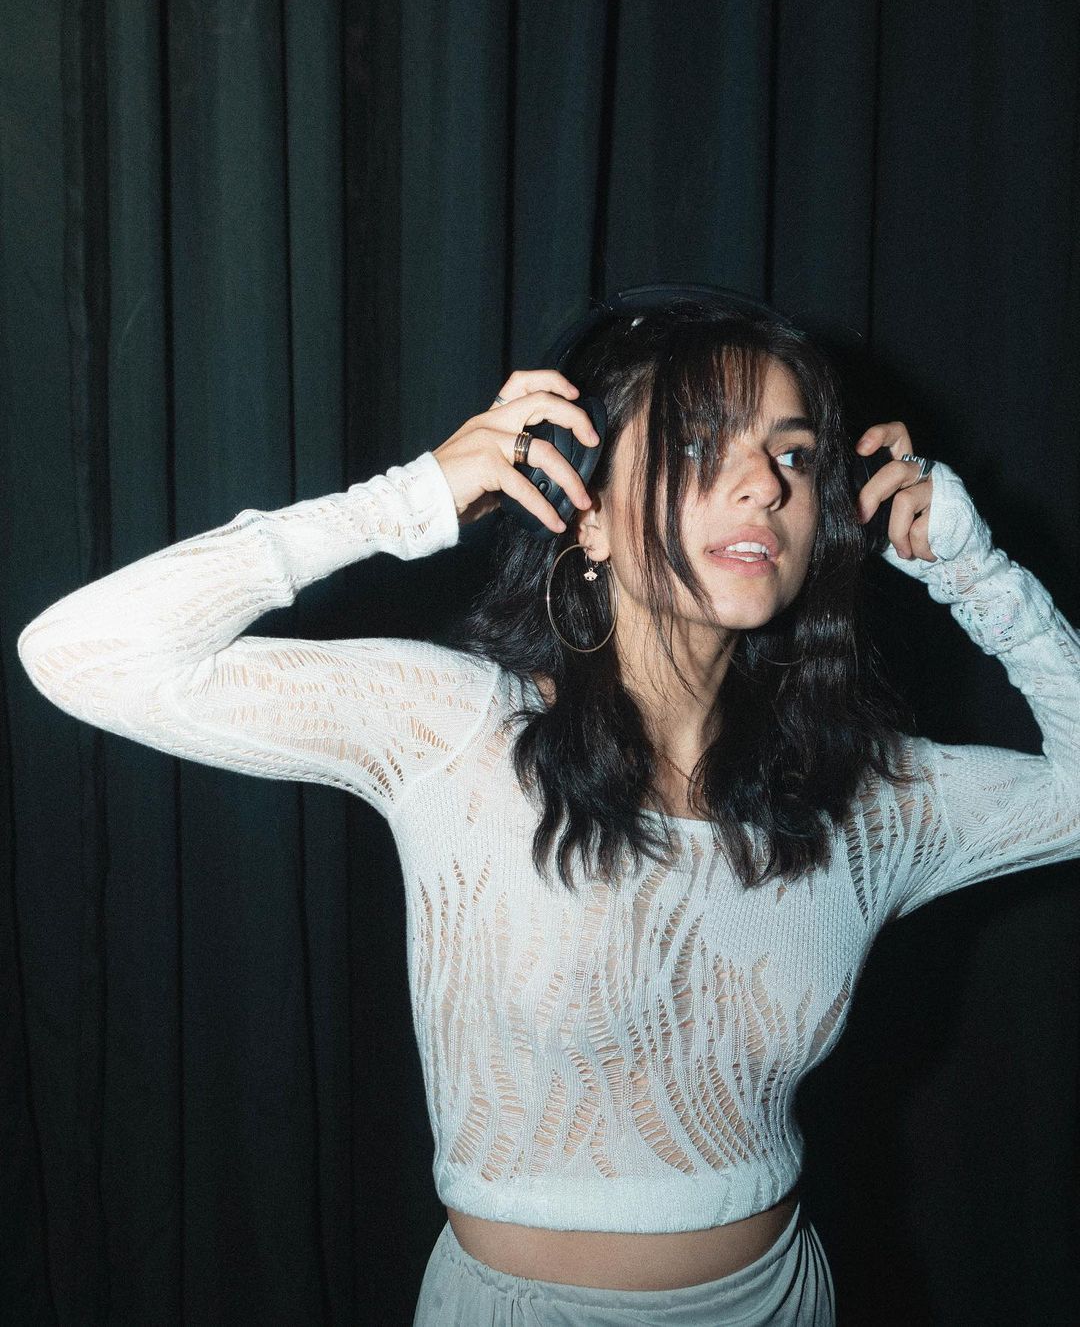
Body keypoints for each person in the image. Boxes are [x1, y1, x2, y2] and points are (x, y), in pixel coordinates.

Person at [17, 296, 1080, 1326]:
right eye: (699, 443)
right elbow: (80, 654)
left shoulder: (858, 797)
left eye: (795, 456)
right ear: (592, 514)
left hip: (784, 1297)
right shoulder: (456, 732)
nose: (764, 482)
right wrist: (408, 500)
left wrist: (977, 571)